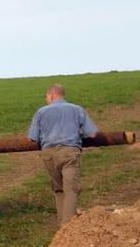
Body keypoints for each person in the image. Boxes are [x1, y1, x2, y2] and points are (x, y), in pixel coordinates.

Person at [28, 84, 98, 224]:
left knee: (59, 189)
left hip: (48, 155)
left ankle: (62, 228)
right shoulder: (77, 109)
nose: (46, 99)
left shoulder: (41, 112)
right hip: (69, 153)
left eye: (46, 97)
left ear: (52, 95)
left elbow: (32, 137)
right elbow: (93, 133)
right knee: (71, 190)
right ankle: (68, 227)